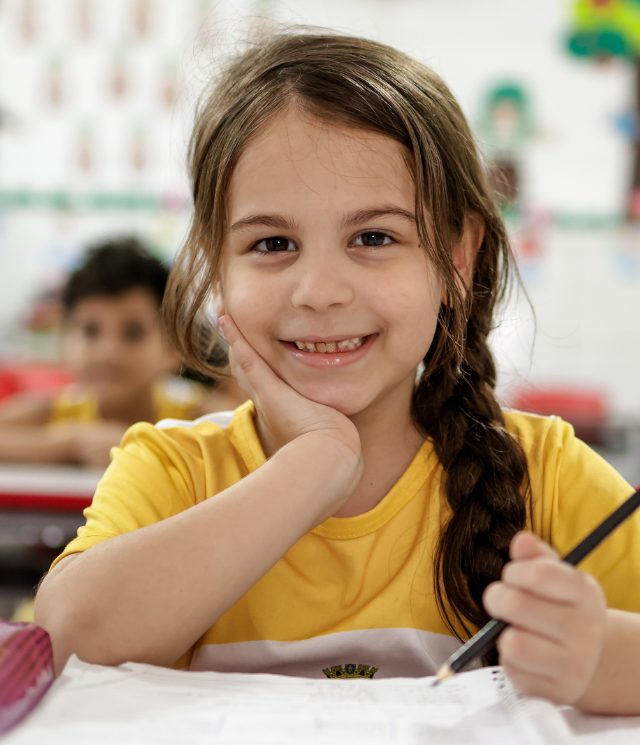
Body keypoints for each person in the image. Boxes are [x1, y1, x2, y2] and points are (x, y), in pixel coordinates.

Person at [35, 31, 640, 714]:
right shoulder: (177, 472)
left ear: (457, 257)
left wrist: (601, 658)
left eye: (374, 238)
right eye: (272, 243)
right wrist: (316, 464)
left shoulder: (546, 475)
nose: (319, 290)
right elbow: (61, 641)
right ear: (216, 264)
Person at [0, 236, 235, 467]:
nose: (108, 352)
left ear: (174, 349)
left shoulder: (198, 417)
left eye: (133, 333)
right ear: (64, 341)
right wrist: (70, 445)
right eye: (90, 331)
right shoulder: (53, 413)